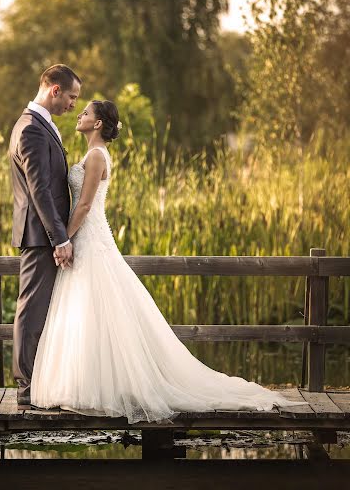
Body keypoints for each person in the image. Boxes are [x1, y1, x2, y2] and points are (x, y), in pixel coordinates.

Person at [30, 99, 306, 423]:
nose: (79, 115)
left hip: (91, 239)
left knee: (96, 309)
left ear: (99, 123)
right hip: (88, 240)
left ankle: (95, 389)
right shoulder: (94, 154)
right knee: (87, 311)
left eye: (86, 113)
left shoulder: (95, 156)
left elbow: (85, 205)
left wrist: (62, 240)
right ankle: (82, 386)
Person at [9, 64, 81, 409]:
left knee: (41, 310)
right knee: (32, 310)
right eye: (71, 96)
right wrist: (59, 239)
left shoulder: (40, 126)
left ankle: (39, 384)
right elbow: (40, 190)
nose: (73, 104)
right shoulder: (31, 130)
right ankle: (26, 389)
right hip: (40, 236)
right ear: (54, 90)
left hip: (44, 235)